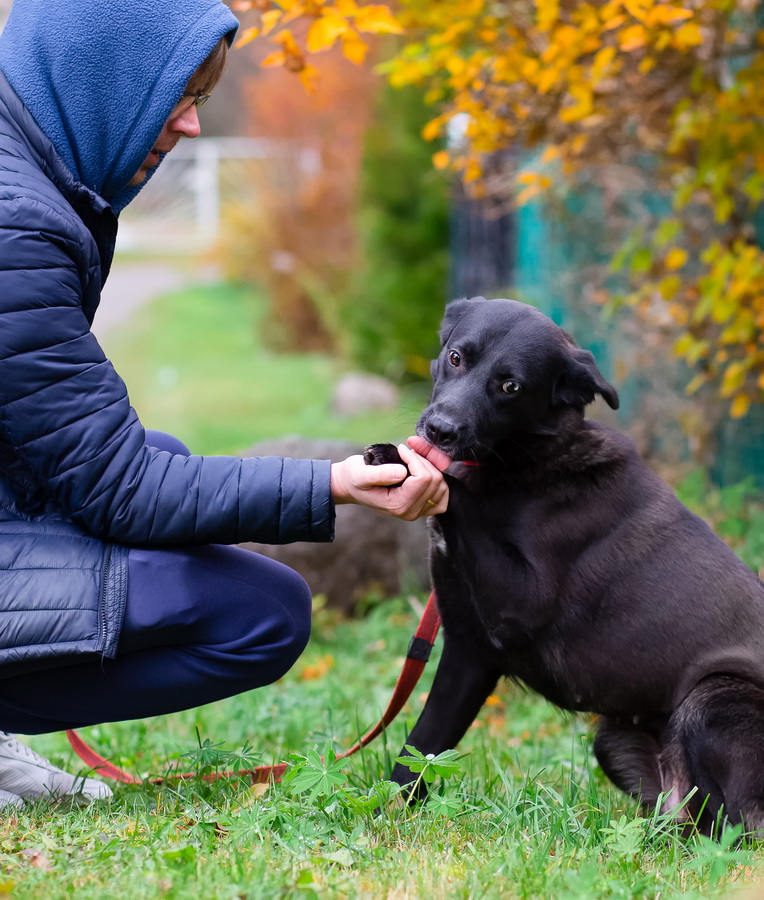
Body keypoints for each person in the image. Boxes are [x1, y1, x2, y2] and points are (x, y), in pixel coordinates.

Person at [0, 0, 451, 806]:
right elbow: (120, 489)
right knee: (263, 612)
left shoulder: (23, 176)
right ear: (102, 79)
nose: (191, 125)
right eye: (177, 96)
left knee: (169, 459)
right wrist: (337, 484)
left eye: (200, 99)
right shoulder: (16, 230)